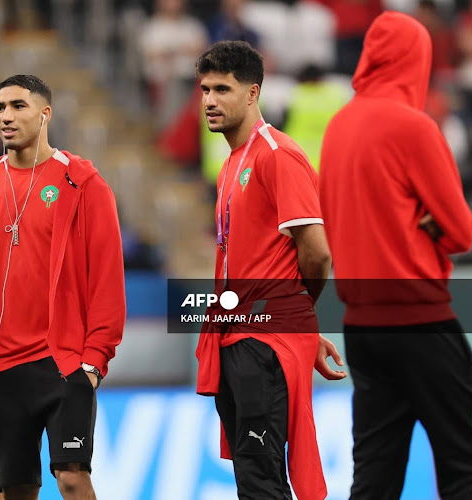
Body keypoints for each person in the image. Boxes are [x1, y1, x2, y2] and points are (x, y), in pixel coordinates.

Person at [319, 12, 472, 500]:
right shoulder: (413, 127)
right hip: (420, 320)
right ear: (417, 60)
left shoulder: (338, 127)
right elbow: (461, 231)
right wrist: (430, 222)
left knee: (376, 471)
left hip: (361, 327)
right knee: (468, 461)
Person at [0, 75, 125, 500]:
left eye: (18, 106)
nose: (6, 116)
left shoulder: (81, 183)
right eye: (0, 106)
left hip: (62, 363)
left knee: (72, 478)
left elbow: (107, 278)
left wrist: (95, 359)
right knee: (15, 490)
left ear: (45, 114)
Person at [193, 41, 346, 500]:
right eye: (204, 89)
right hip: (239, 336)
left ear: (253, 93)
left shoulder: (277, 154)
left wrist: (292, 313)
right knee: (253, 480)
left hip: (263, 339)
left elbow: (316, 252)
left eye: (223, 89)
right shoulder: (229, 167)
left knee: (261, 481)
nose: (209, 100)